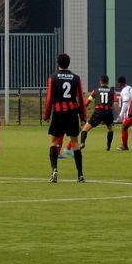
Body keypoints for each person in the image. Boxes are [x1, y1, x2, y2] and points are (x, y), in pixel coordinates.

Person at [44, 52, 87, 183]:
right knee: (75, 142)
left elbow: (50, 98)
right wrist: (83, 115)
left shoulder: (53, 78)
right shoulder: (76, 78)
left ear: (58, 64)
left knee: (54, 142)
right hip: (72, 113)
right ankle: (80, 174)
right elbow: (80, 98)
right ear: (68, 63)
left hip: (58, 112)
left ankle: (54, 170)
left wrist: (46, 114)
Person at [80, 75, 116, 150]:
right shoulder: (112, 92)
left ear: (100, 81)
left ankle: (82, 143)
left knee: (85, 129)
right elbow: (115, 103)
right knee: (110, 129)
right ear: (108, 82)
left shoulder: (95, 91)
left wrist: (82, 110)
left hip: (98, 112)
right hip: (108, 112)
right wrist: (118, 114)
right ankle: (108, 146)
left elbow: (87, 102)